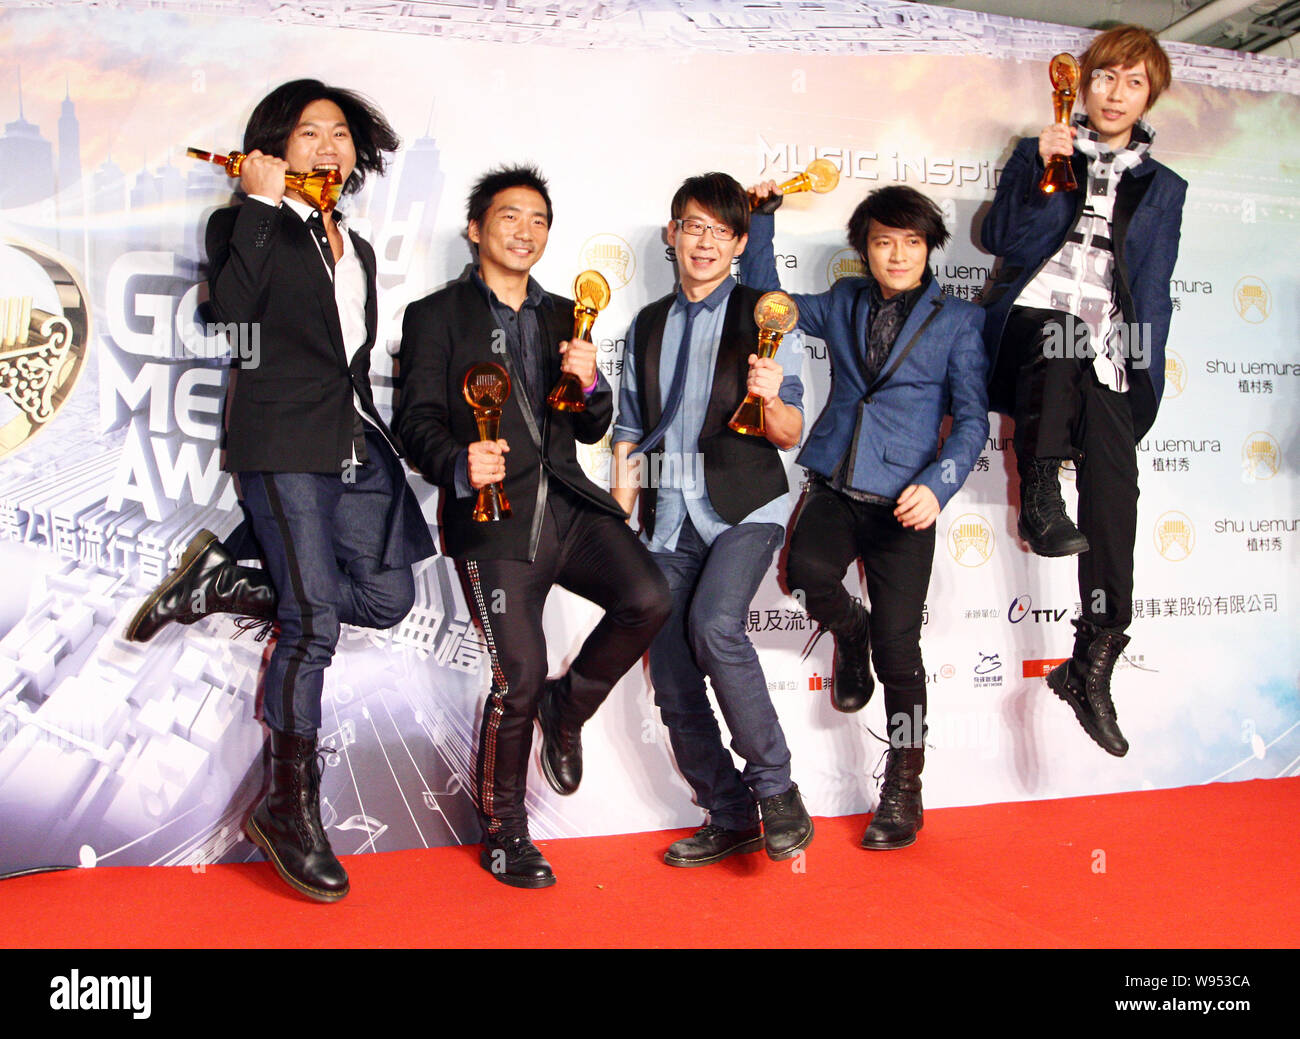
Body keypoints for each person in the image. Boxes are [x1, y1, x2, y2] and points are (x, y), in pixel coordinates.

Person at [125, 80, 436, 901]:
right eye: (309, 132)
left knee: (388, 595)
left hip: (355, 441)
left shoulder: (357, 247)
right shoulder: (241, 223)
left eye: (339, 133)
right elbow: (227, 322)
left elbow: (351, 354)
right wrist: (260, 209)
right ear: (274, 147)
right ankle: (288, 809)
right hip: (283, 440)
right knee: (313, 622)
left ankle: (228, 579)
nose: (328, 146)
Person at [396, 165, 671, 889]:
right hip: (495, 523)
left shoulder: (563, 314)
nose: (526, 230)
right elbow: (413, 420)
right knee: (515, 676)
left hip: (570, 507)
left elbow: (594, 422)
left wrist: (587, 380)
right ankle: (505, 834)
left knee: (649, 596)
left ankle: (569, 701)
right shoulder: (435, 315)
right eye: (510, 216)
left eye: (539, 220)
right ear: (475, 228)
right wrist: (459, 461)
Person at [741, 182, 988, 850]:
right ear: (865, 249)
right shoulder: (844, 301)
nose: (898, 254)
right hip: (837, 483)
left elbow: (970, 420)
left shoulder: (959, 321)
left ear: (929, 249)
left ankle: (904, 787)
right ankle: (851, 633)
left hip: (908, 503)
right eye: (884, 242)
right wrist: (761, 221)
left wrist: (939, 483)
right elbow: (772, 308)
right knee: (807, 574)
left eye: (911, 242)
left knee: (901, 654)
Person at [980, 24, 1186, 756]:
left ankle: (1093, 654)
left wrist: (1138, 372)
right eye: (1106, 78)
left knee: (1115, 492)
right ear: (1084, 84)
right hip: (1030, 325)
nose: (1116, 93)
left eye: (1133, 82)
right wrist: (1041, 168)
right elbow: (1002, 237)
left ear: (1147, 96)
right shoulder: (1038, 151)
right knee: (1058, 333)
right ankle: (1040, 494)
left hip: (1104, 345)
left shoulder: (1165, 189)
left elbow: (1152, 287)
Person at [611, 172, 812, 869]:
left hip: (746, 506)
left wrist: (772, 400)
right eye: (692, 226)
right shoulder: (645, 325)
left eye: (720, 231)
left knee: (714, 625)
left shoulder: (766, 312)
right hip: (668, 518)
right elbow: (631, 428)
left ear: (739, 242)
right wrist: (621, 511)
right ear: (672, 234)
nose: (703, 242)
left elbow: (790, 431)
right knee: (668, 672)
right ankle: (729, 813)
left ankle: (778, 792)